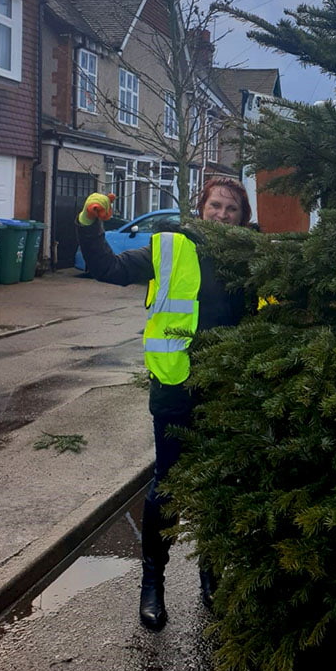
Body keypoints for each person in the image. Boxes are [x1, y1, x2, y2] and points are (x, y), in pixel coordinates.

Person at [76, 177, 254, 631]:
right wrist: (89, 225)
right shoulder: (169, 246)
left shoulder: (251, 257)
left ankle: (211, 574)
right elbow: (108, 269)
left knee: (220, 485)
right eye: (215, 205)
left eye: (231, 209)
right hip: (176, 385)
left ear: (243, 216)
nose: (222, 214)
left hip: (227, 391)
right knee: (169, 485)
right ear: (201, 208)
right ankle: (152, 585)